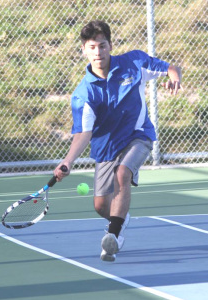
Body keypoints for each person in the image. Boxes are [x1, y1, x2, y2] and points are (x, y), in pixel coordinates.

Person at [54, 20, 183, 262]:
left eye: (102, 46)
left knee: (123, 174)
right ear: (84, 50)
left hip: (139, 136)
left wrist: (175, 77)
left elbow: (171, 68)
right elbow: (84, 133)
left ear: (110, 45)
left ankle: (112, 236)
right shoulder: (84, 94)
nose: (98, 52)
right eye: (92, 47)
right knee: (101, 206)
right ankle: (120, 220)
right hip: (106, 147)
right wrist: (68, 161)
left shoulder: (134, 63)